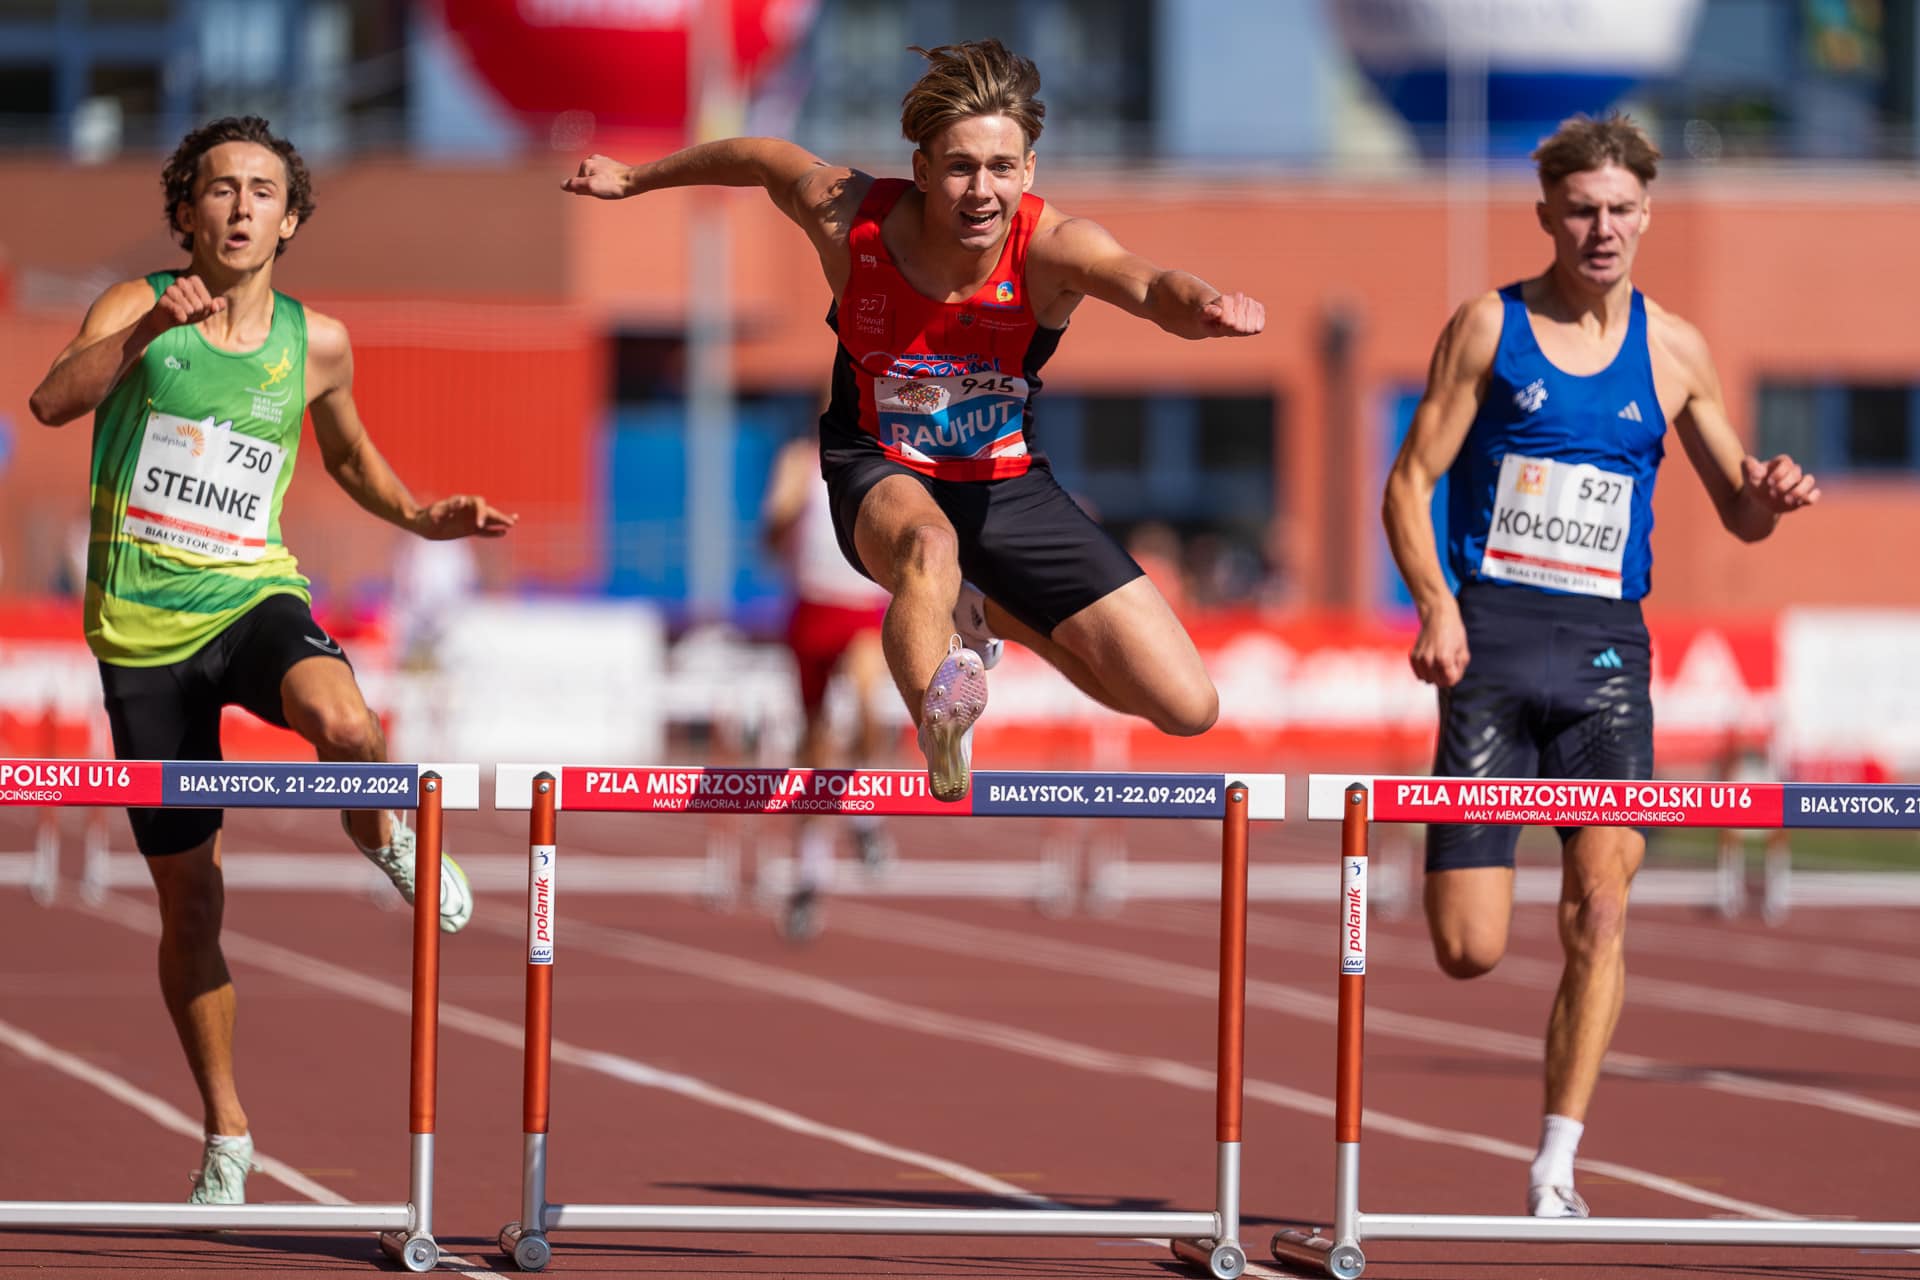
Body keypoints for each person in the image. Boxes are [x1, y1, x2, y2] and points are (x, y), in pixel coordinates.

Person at [27, 116, 517, 1205]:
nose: (240, 207)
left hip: (252, 593)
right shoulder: (136, 303)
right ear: (186, 213)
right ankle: (227, 1130)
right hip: (141, 635)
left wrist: (423, 514)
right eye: (218, 190)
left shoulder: (317, 340)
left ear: (290, 220)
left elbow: (346, 454)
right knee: (191, 903)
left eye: (261, 192)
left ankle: (385, 836)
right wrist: (156, 321)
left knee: (348, 725)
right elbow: (51, 401)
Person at [564, 39, 1262, 801]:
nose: (980, 191)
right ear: (923, 169)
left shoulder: (1054, 248)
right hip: (879, 468)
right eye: (960, 167)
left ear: (1028, 170)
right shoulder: (853, 222)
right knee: (929, 546)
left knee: (1186, 707)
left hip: (1004, 483)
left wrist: (1206, 307)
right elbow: (763, 157)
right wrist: (635, 176)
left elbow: (1151, 284)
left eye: (1001, 168)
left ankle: (988, 610)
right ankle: (941, 737)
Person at [1382, 113, 1818, 1218]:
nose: (1603, 228)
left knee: (1603, 910)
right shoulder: (1489, 326)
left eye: (1622, 209)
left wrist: (1765, 496)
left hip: (1609, 659)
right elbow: (1407, 481)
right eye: (1583, 209)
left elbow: (1739, 507)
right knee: (1469, 948)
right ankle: (1476, 896)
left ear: (1648, 216)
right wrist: (1435, 604)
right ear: (1546, 216)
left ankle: (1556, 1162)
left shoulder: (1674, 349)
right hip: (1490, 645)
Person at [760, 433, 902, 940]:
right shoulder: (798, 460)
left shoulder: (888, 456)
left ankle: (862, 814)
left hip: (862, 606)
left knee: (866, 703)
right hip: (812, 608)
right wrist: (783, 514)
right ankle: (811, 869)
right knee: (815, 744)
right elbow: (769, 543)